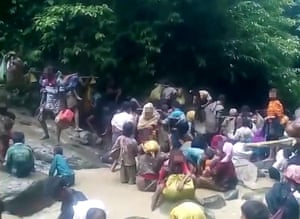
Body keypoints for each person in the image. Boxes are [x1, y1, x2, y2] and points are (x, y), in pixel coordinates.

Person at [38, 66, 66, 144]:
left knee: (58, 122)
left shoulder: (58, 81)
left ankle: (57, 140)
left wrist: (62, 106)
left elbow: (62, 94)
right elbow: (43, 89)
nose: (45, 75)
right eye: (44, 74)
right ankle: (46, 134)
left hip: (56, 104)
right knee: (40, 119)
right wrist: (41, 103)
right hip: (47, 103)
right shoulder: (45, 81)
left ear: (50, 74)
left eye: (46, 73)